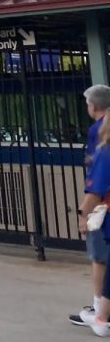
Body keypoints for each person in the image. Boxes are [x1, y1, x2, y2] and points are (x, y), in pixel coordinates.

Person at [73, 84, 110, 325]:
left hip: (103, 203)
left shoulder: (99, 132)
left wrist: (83, 213)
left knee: (98, 256)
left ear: (93, 105)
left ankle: (99, 309)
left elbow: (95, 175)